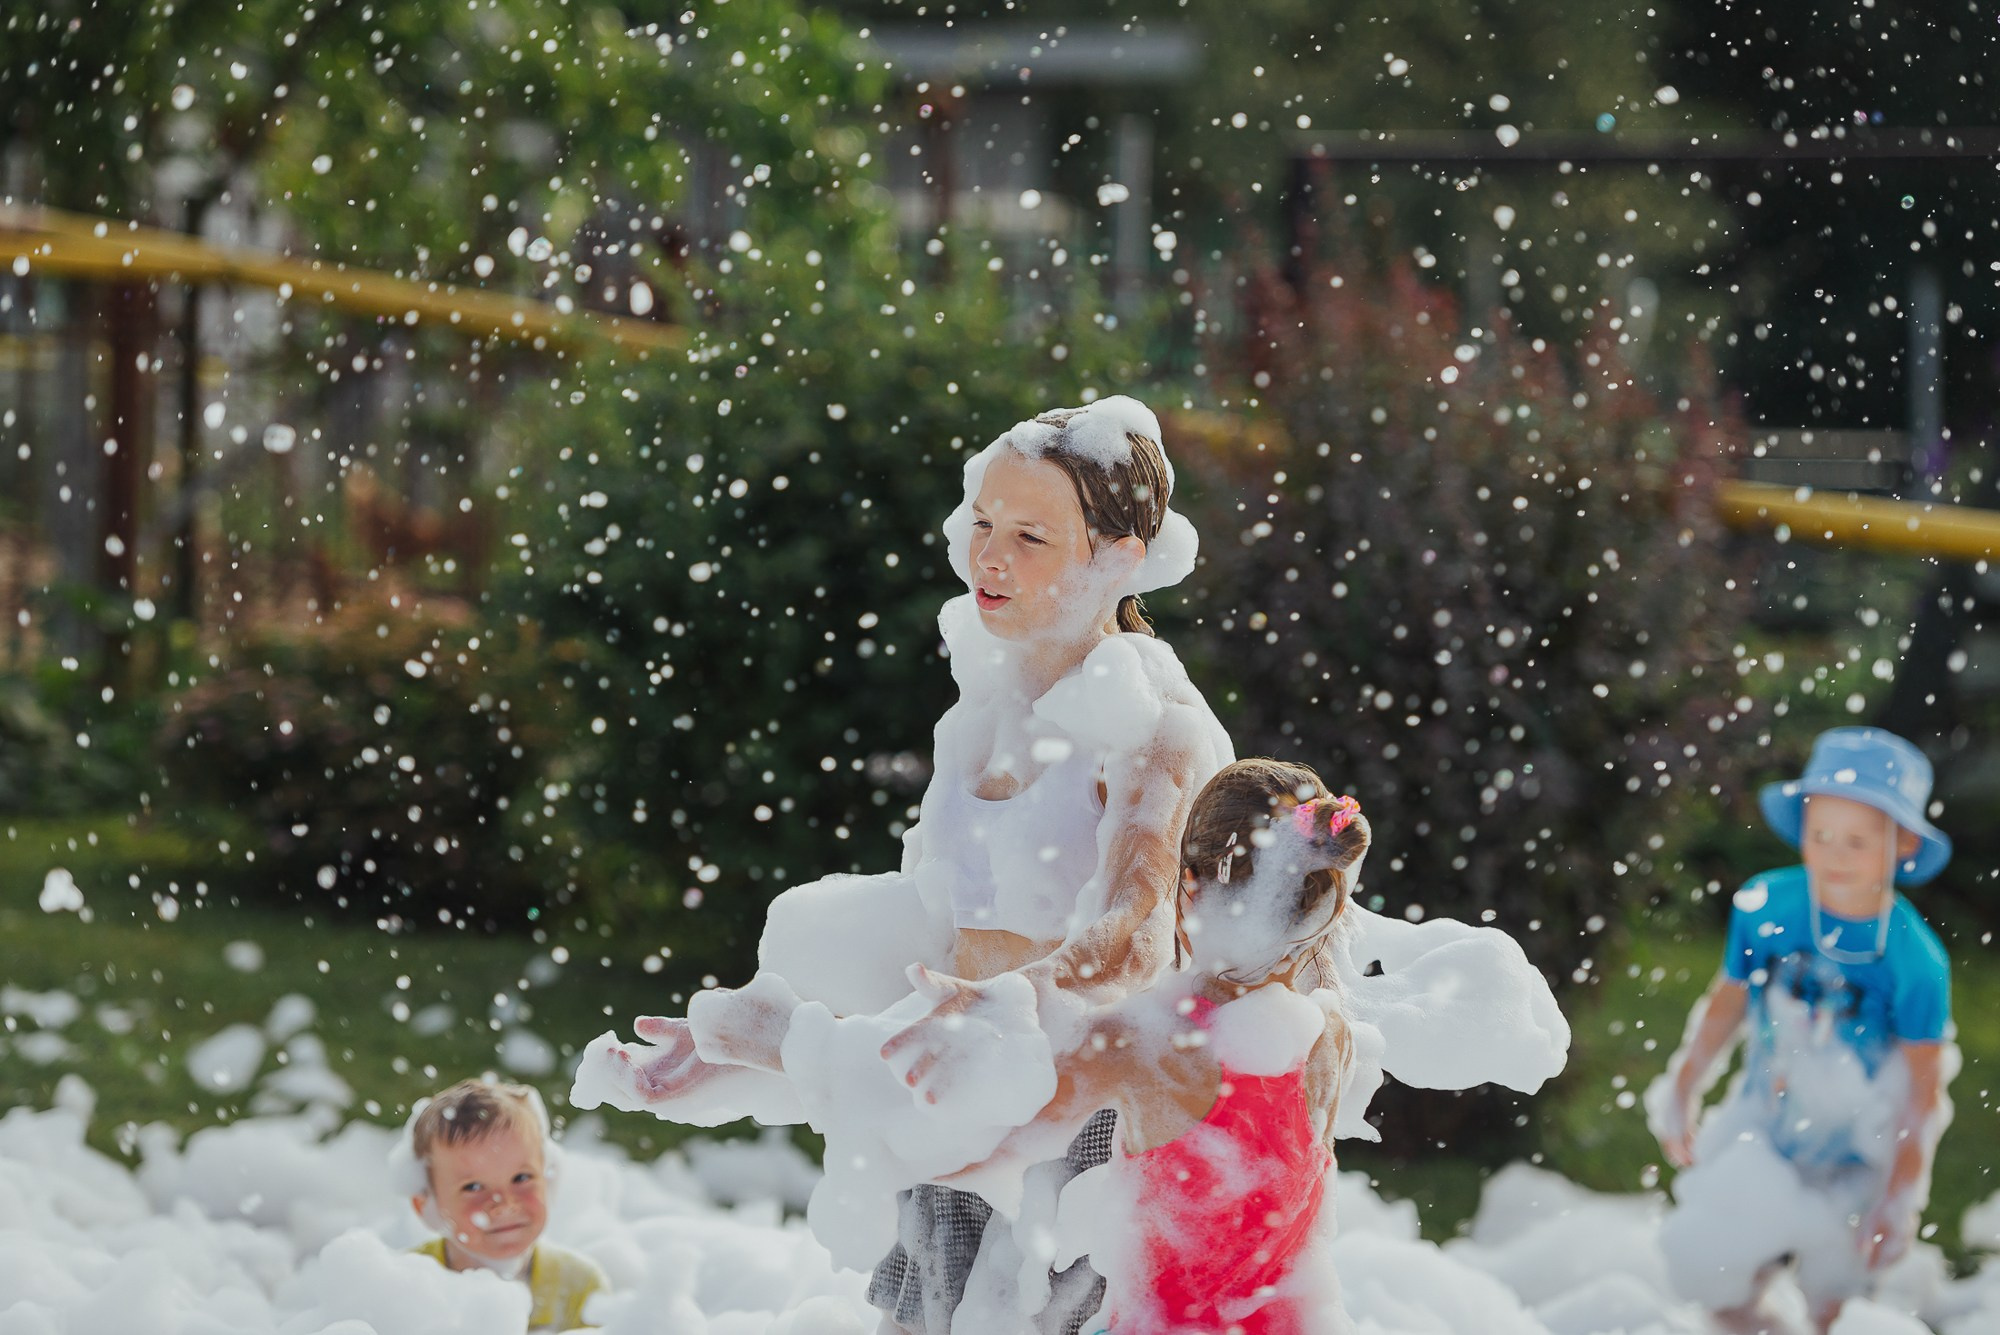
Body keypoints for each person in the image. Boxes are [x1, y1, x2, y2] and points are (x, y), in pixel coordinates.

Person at [575, 395, 1235, 1335]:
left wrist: (1006, 1007)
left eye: (1032, 536)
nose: (990, 556)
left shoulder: (1155, 728)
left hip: (1085, 1130)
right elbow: (928, 934)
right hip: (962, 1100)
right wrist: (740, 1039)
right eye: (982, 523)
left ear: (1119, 558)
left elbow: (1135, 938)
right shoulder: (980, 717)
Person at [953, 758, 1366, 1335]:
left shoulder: (1141, 1042)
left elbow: (972, 1157)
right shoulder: (1328, 1034)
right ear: (1325, 904)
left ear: (1189, 887)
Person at [1648, 727, 1955, 1334]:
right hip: (1765, 1123)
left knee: (1833, 1302)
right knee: (1727, 1276)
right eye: (1820, 836)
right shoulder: (1768, 907)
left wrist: (1897, 1196)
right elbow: (1727, 1002)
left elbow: (1922, 1091)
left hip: (1856, 1151)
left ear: (1904, 845)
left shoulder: (1915, 961)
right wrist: (1683, 1085)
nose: (1835, 855)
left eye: (1859, 841)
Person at [404, 1078, 610, 1332]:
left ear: (548, 1178)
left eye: (521, 1178)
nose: (505, 1204)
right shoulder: (407, 1284)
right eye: (474, 1187)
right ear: (426, 1207)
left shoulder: (579, 1287)